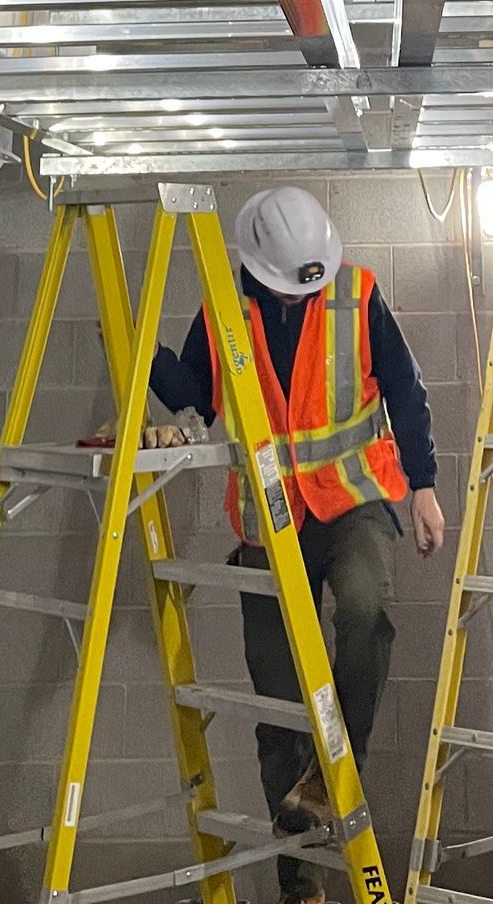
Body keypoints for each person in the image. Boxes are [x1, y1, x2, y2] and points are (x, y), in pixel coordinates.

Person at [146, 186, 443, 904]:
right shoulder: (226, 305)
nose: (298, 300)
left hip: (353, 504)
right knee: (280, 708)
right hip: (267, 524)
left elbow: (404, 390)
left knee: (368, 615)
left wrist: (424, 484)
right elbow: (201, 399)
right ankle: (298, 885)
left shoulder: (355, 293)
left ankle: (334, 776)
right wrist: (140, 355)